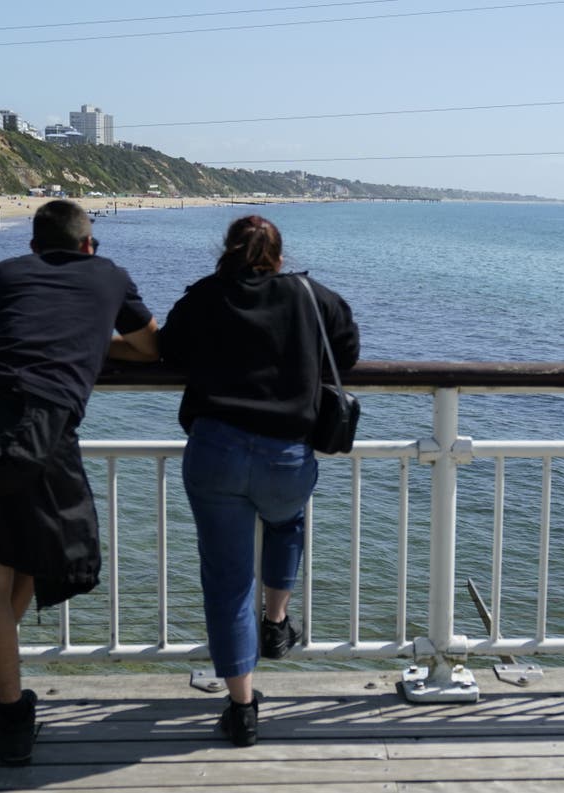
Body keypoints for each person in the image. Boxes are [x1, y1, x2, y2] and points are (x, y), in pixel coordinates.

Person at [0, 199, 159, 765]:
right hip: (41, 430)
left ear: (34, 246)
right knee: (21, 566)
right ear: (90, 244)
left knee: (5, 569)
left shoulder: (3, 273)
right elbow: (150, 346)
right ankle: (11, 717)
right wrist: (90, 343)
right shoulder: (109, 275)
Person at [159, 215, 359, 747]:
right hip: (286, 456)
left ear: (227, 249)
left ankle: (242, 708)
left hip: (216, 451)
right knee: (285, 520)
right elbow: (348, 351)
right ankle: (277, 620)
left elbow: (168, 350)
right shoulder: (311, 295)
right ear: (279, 254)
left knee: (227, 586)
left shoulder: (205, 296)